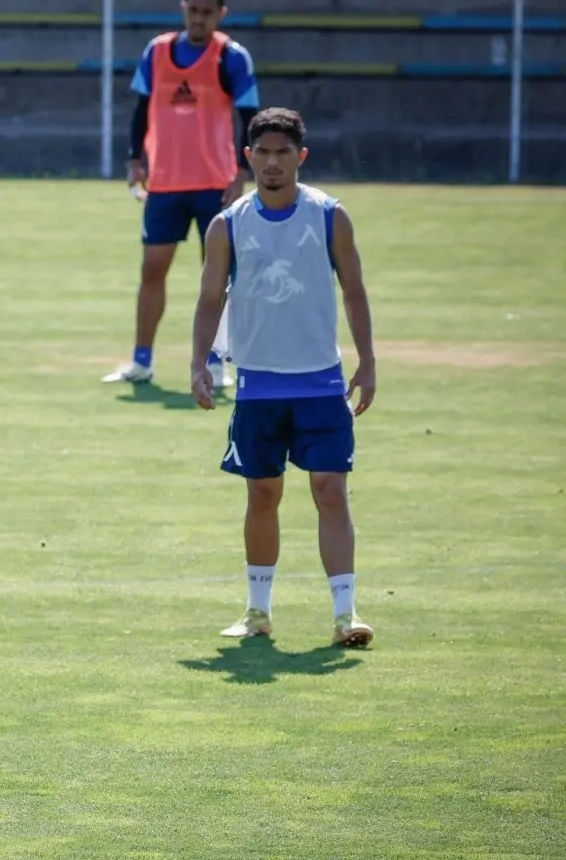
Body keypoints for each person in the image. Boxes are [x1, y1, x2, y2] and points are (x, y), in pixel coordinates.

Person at [191, 107, 377, 647]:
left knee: (330, 491)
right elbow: (209, 298)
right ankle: (257, 612)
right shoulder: (228, 225)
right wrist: (199, 362)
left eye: (283, 152)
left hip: (321, 383)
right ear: (248, 157)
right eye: (263, 153)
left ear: (301, 156)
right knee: (263, 495)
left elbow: (354, 290)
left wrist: (367, 360)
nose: (272, 163)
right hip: (258, 386)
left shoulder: (329, 216)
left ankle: (346, 615)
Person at [105, 0, 261, 387]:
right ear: (183, 8)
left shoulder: (231, 57)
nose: (199, 18)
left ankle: (215, 362)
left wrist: (242, 172)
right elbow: (141, 109)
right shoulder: (157, 52)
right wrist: (134, 159)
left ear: (221, 13)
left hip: (215, 184)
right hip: (165, 183)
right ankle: (141, 360)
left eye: (207, 11)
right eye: (193, 9)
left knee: (217, 275)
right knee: (152, 270)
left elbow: (250, 119)